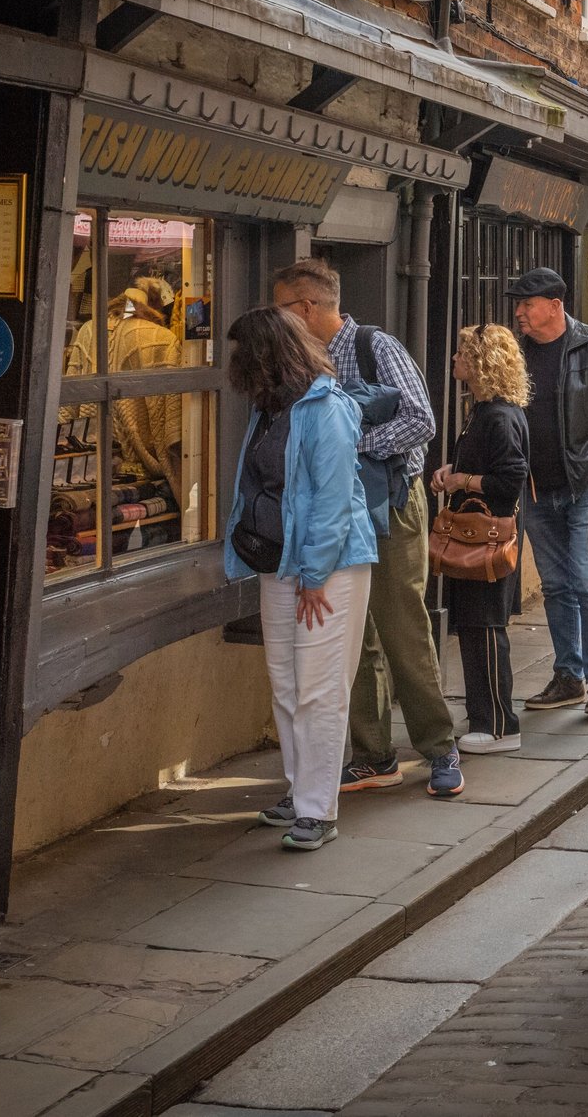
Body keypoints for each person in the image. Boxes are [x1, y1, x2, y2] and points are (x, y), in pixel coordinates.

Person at [271, 260, 462, 801]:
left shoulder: (375, 346)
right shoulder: (302, 360)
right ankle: (373, 756)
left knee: (403, 628)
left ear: (306, 307)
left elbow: (421, 421)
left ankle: (439, 748)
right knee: (353, 637)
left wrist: (347, 446)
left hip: (392, 505)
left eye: (282, 308)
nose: (279, 320)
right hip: (335, 511)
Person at [224, 306, 379, 852]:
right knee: (287, 684)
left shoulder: (327, 409)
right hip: (279, 562)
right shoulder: (267, 409)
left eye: (242, 352)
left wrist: (315, 574)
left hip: (328, 566)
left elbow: (333, 500)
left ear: (267, 355)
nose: (234, 363)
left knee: (319, 686)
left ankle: (318, 808)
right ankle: (300, 791)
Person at [508, 267, 588, 718]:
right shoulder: (516, 352)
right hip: (536, 489)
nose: (519, 312)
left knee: (586, 582)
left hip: (586, 485)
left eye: (527, 303)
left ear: (555, 305)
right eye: (518, 304)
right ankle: (568, 676)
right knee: (557, 586)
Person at [432, 324, 530, 755]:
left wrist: (461, 478)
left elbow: (510, 479)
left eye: (462, 353)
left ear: (481, 362)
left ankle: (498, 726)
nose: (454, 359)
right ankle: (485, 719)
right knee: (476, 628)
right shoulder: (486, 411)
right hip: (479, 537)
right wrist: (451, 471)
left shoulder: (499, 416)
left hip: (488, 539)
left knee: (486, 630)